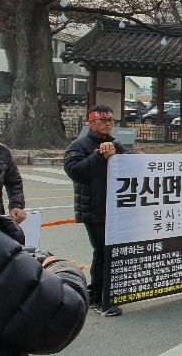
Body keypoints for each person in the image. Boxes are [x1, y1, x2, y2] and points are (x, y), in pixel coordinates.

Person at [0, 113, 89, 355]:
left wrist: (17, 204)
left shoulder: (3, 152)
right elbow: (61, 316)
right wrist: (62, 268)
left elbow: (14, 181)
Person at [63, 104, 129, 316]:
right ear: (90, 123)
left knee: (112, 252)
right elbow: (74, 171)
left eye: (111, 120)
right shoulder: (79, 145)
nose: (108, 124)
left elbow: (133, 164)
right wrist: (99, 157)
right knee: (102, 251)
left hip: (116, 207)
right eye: (102, 120)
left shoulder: (115, 144)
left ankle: (104, 292)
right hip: (93, 207)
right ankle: (100, 298)